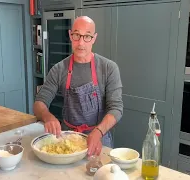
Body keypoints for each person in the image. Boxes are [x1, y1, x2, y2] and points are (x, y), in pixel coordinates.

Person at [33, 16, 123, 156]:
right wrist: (48, 117)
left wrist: (98, 132)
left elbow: (116, 109)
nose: (81, 42)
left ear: (94, 38)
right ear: (70, 35)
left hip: (98, 139)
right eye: (76, 35)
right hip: (67, 139)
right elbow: (39, 102)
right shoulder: (59, 69)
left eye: (87, 36)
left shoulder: (108, 68)